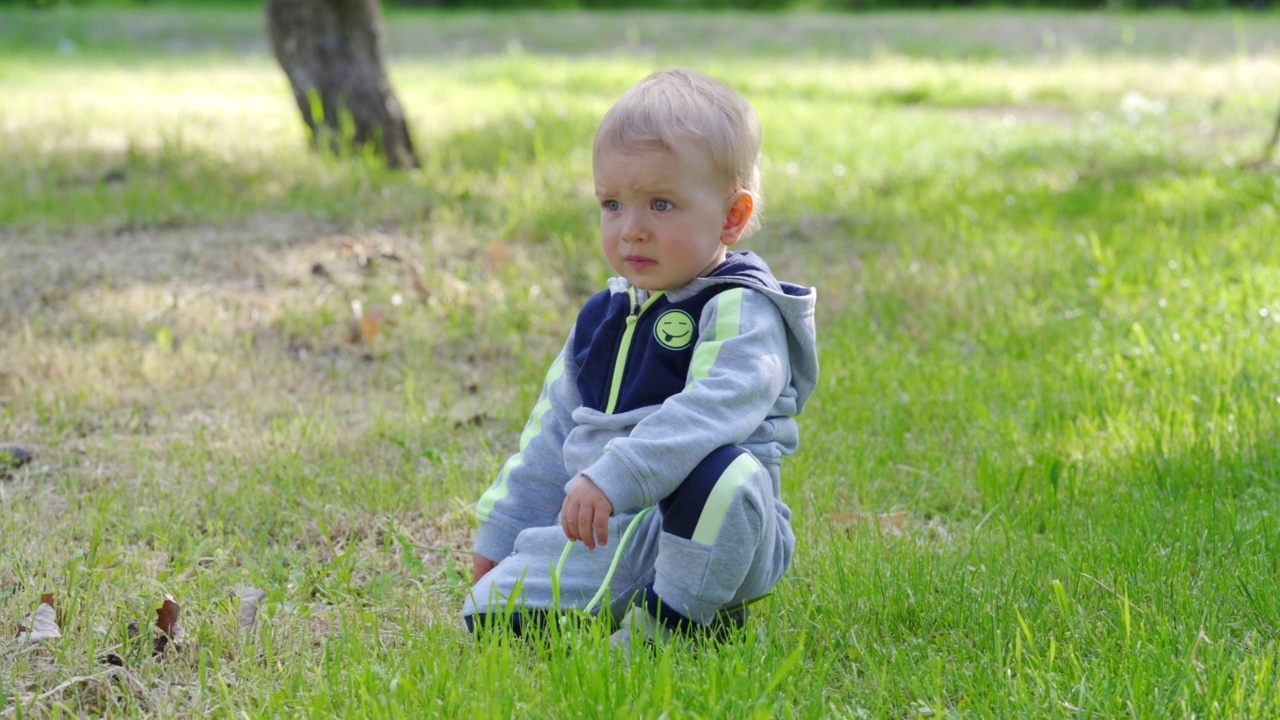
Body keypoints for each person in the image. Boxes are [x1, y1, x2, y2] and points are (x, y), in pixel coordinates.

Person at [463, 67, 819, 649]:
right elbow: (550, 438)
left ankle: (670, 625)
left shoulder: (740, 308)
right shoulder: (601, 318)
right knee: (487, 617)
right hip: (609, 531)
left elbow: (715, 409)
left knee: (725, 477)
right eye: (612, 204)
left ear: (731, 216)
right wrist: (499, 541)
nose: (631, 231)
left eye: (660, 204)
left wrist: (617, 475)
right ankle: (638, 601)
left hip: (713, 529)